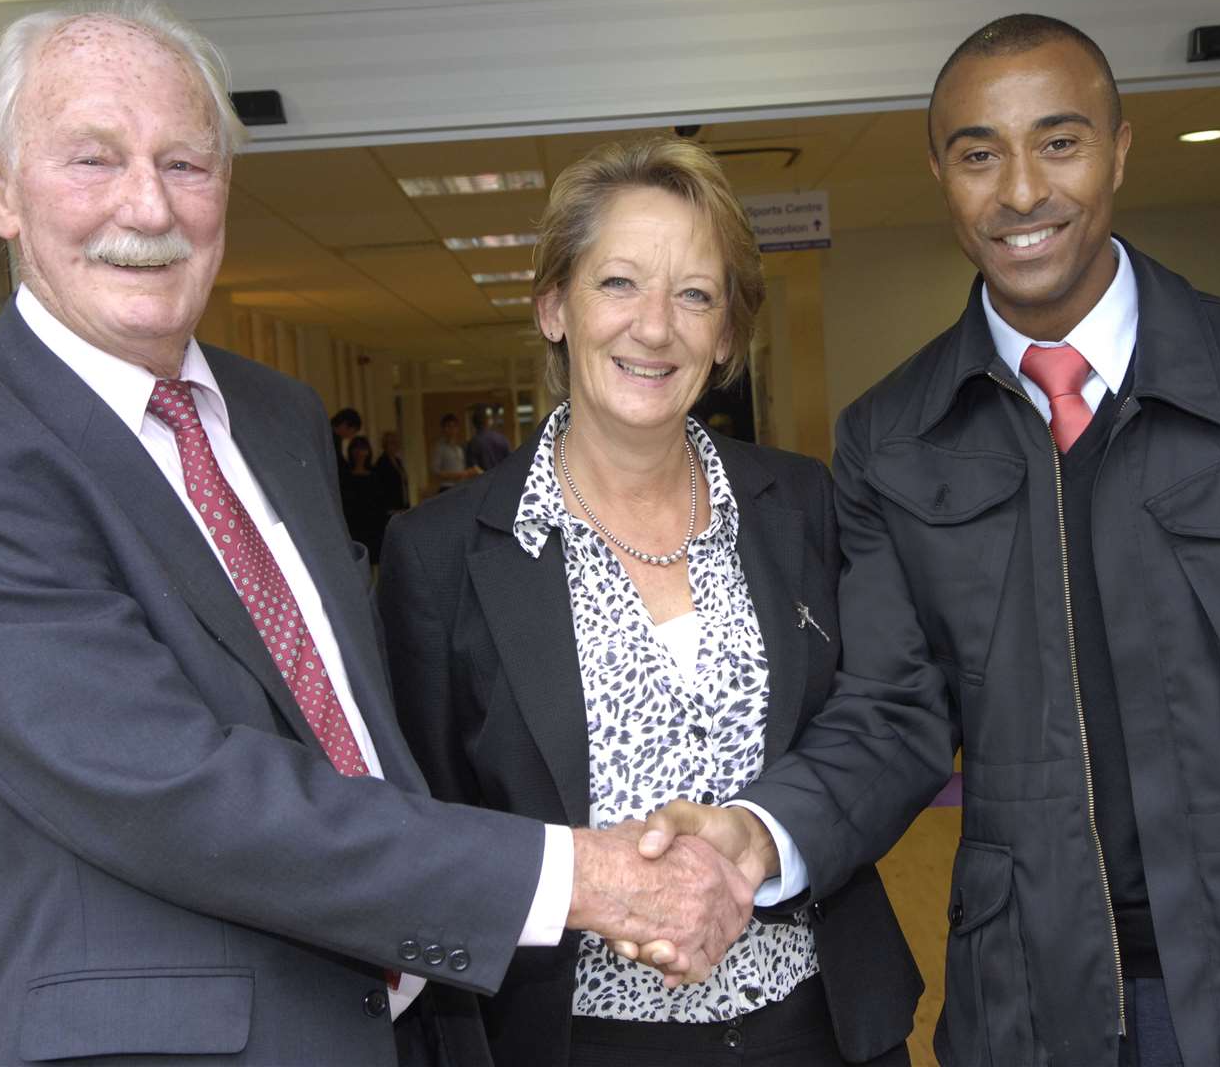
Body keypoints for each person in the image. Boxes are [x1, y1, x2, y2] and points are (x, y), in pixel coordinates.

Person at [0, 0, 755, 1066]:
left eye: (186, 164)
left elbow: (357, 730)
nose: (148, 204)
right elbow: (172, 791)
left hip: (412, 1017)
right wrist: (584, 876)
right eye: (92, 159)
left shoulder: (273, 415)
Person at [637, 13, 1220, 1067]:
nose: (1020, 191)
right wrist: (760, 834)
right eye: (979, 154)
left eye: (1059, 143)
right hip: (1036, 1009)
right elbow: (892, 715)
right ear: (940, 171)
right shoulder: (891, 438)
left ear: (1119, 149)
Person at [378, 137, 919, 1067]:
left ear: (727, 337)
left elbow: (892, 719)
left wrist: (757, 836)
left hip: (818, 1027)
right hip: (573, 1042)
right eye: (618, 283)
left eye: (695, 295)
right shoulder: (439, 557)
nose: (655, 327)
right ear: (555, 306)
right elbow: (425, 834)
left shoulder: (804, 506)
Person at [370, 429, 412, 559]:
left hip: (402, 506)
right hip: (390, 509)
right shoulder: (381, 463)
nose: (393, 446)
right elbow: (381, 488)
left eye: (395, 443)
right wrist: (388, 508)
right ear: (385, 445)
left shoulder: (398, 461)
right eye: (390, 443)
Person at [341, 434, 383, 561]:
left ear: (368, 452)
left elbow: (379, 501)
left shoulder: (375, 476)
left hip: (372, 523)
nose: (359, 453)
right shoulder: (345, 476)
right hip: (353, 524)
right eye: (356, 448)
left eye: (363, 449)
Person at [430, 412, 476, 491]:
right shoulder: (440, 448)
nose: (451, 430)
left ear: (457, 429)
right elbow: (436, 472)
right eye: (448, 426)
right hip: (447, 487)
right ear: (443, 429)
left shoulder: (459, 448)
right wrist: (459, 474)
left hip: (461, 486)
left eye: (454, 426)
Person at [465, 404, 511, 471]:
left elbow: (473, 468)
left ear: (473, 424)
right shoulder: (502, 439)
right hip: (503, 478)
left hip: (484, 480)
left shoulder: (473, 443)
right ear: (488, 422)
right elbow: (510, 462)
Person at [331, 405, 362, 487]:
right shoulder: (332, 438)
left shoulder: (335, 438)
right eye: (353, 431)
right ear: (345, 424)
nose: (352, 435)